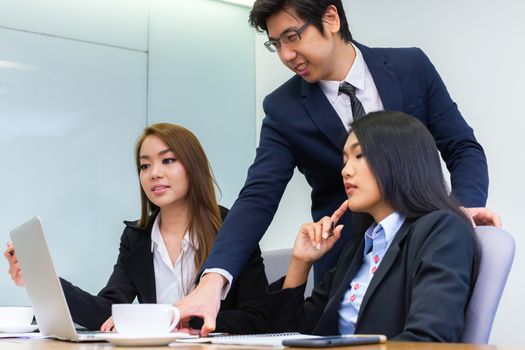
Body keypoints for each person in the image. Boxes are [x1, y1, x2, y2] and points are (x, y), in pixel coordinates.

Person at [176, 0, 499, 335]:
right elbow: (258, 196)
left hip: (423, 252)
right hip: (349, 258)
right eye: (276, 45)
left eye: (292, 37)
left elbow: (462, 148)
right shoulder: (283, 108)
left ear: (330, 18)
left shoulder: (410, 67)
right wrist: (213, 281)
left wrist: (459, 211)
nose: (286, 55)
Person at [4, 123, 269, 334]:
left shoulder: (233, 229)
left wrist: (175, 321)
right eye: (145, 165)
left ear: (193, 167)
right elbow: (107, 311)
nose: (154, 173)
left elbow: (257, 318)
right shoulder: (137, 237)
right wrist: (44, 280)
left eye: (167, 161)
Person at [267, 110, 477, 342]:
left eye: (360, 155)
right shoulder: (362, 245)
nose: (345, 170)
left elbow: (429, 339)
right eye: (344, 160)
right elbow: (290, 335)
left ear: (401, 159)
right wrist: (301, 262)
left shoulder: (440, 230)